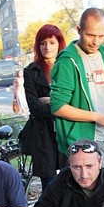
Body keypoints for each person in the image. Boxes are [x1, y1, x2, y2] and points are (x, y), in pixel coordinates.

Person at [50, 7, 104, 175]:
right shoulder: (67, 61)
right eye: (90, 35)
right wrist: (97, 117)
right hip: (82, 139)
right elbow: (57, 106)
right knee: (98, 192)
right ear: (79, 30)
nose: (96, 42)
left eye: (101, 36)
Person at [22, 24, 67, 192]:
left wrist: (50, 100)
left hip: (66, 130)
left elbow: (75, 102)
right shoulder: (31, 71)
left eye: (51, 42)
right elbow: (34, 106)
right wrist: (61, 107)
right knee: (49, 185)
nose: (47, 47)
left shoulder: (67, 67)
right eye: (43, 43)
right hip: (42, 134)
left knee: (71, 176)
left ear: (59, 44)